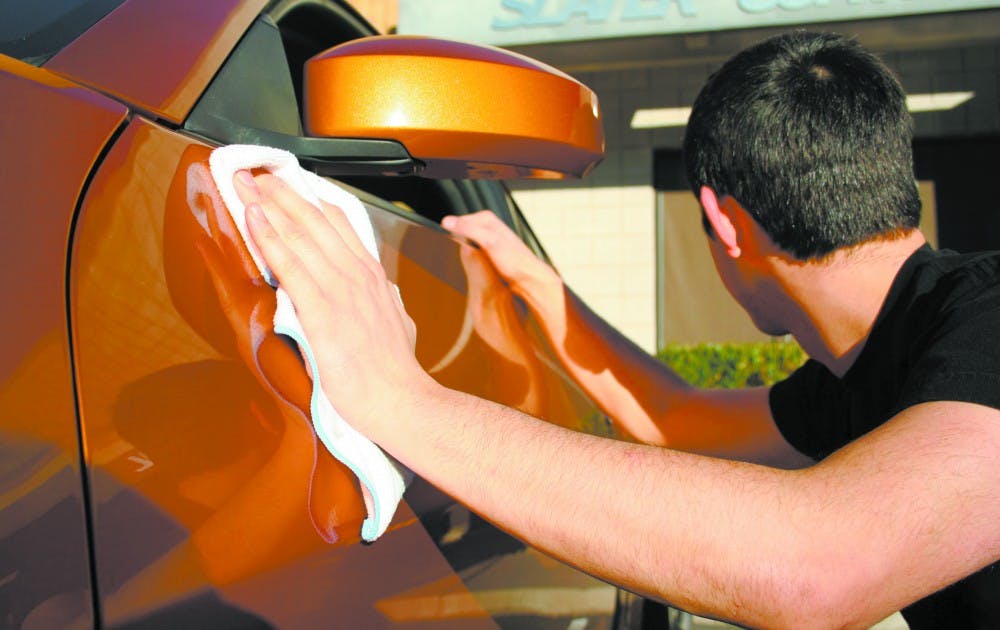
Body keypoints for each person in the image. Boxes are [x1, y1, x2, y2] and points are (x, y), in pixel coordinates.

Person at [230, 31, 1000, 628]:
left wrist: (400, 400)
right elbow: (677, 420)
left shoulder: (987, 318)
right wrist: (541, 288)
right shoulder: (868, 370)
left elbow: (822, 567)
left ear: (721, 224)